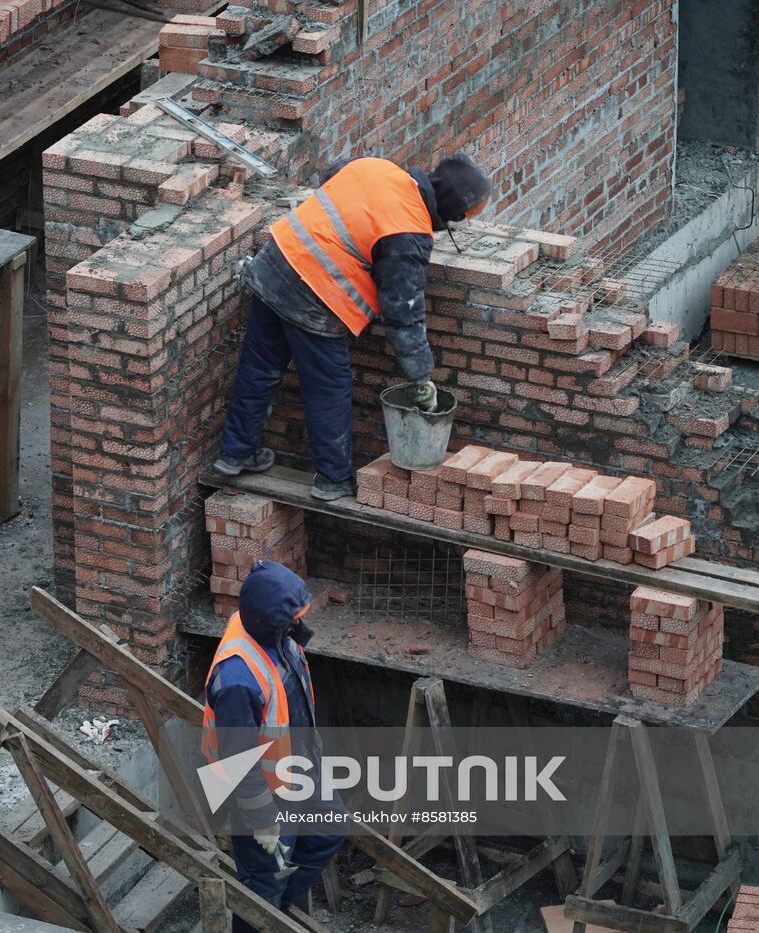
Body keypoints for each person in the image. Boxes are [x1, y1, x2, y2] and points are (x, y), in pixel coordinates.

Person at [215, 153, 492, 500]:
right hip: (315, 296)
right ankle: (332, 479)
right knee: (329, 388)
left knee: (260, 369)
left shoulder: (378, 168)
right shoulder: (409, 230)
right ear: (449, 210)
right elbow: (403, 310)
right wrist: (421, 375)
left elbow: (333, 179)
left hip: (275, 262)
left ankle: (235, 453)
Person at [202, 561, 343, 931]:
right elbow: (238, 761)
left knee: (330, 828)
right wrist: (262, 821)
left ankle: (277, 913)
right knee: (262, 883)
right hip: (261, 793)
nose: (300, 624)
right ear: (271, 621)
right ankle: (266, 915)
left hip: (297, 770)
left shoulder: (274, 635)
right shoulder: (237, 678)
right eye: (293, 617)